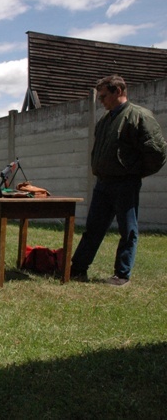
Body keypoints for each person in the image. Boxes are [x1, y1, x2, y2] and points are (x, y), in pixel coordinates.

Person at [71, 75, 167, 286]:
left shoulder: (139, 116)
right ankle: (77, 269)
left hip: (125, 183)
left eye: (104, 96)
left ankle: (122, 275)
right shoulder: (105, 120)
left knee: (128, 230)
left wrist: (134, 172)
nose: (101, 101)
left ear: (118, 91)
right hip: (103, 183)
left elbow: (157, 151)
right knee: (93, 229)